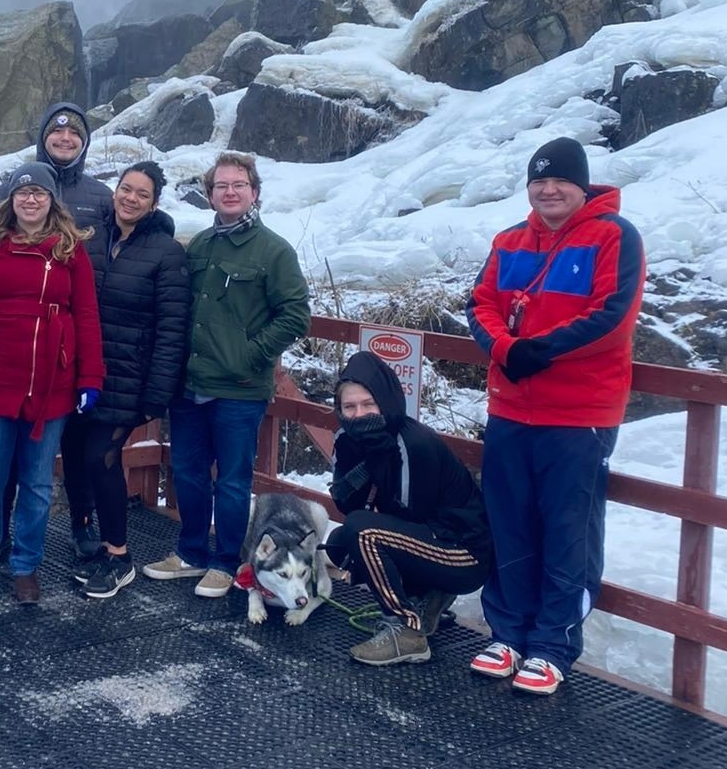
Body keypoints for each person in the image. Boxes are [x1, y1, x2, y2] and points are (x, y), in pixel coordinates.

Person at [466, 136, 645, 696]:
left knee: (568, 527)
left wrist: (534, 350)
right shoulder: (510, 240)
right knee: (510, 519)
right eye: (539, 180)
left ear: (581, 184)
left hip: (578, 412)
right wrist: (504, 349)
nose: (548, 189)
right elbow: (481, 303)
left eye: (560, 180)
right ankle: (509, 633)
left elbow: (611, 315)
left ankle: (554, 643)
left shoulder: (614, 236)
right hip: (511, 408)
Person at [143, 151, 310, 600]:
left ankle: (226, 562)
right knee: (189, 472)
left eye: (239, 185)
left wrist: (250, 356)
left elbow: (295, 314)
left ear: (254, 193)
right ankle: (192, 552)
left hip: (238, 388)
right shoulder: (199, 246)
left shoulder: (273, 250)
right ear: (210, 193)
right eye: (221, 186)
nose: (230, 192)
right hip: (190, 384)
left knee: (233, 480)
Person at [0, 161, 104, 604]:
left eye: (39, 192)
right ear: (11, 201)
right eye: (22, 193)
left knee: (36, 482)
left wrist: (90, 375)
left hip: (50, 383)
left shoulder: (70, 250)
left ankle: (25, 565)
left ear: (52, 200)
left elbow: (87, 316)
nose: (30, 199)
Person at [67, 162, 190, 599]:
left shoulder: (166, 252)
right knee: (80, 458)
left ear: (154, 202)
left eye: (142, 193)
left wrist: (157, 395)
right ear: (114, 191)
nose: (130, 198)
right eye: (125, 188)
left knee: (102, 457)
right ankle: (93, 540)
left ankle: (119, 557)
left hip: (129, 380)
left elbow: (172, 329)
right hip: (82, 375)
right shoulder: (89, 237)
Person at [325, 350, 492, 666]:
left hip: (464, 551)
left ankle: (407, 630)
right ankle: (427, 601)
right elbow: (346, 502)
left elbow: (411, 513)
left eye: (368, 404)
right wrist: (363, 464)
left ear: (385, 402)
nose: (359, 415)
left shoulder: (412, 443)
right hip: (426, 539)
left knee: (363, 533)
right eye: (350, 407)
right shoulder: (347, 439)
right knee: (340, 543)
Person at [0, 102, 113, 232]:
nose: (66, 138)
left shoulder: (104, 197)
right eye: (57, 131)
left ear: (84, 142)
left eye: (74, 132)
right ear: (43, 138)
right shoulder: (10, 191)